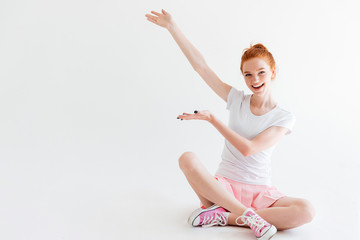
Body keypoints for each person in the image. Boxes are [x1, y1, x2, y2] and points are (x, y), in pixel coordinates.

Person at [145, 9, 315, 240]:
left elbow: (249, 148)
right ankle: (245, 214)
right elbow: (201, 68)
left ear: (272, 72)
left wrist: (213, 120)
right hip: (223, 189)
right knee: (187, 159)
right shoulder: (236, 100)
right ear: (243, 76)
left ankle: (226, 217)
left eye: (261, 72)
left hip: (260, 192)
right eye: (248, 75)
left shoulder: (284, 117)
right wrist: (172, 26)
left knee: (306, 210)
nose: (254, 80)